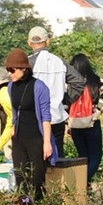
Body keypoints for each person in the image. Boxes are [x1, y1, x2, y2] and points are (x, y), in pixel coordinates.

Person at [3, 48, 52, 205]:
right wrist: (13, 128)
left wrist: (47, 142)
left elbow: (46, 117)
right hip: (19, 138)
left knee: (37, 177)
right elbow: (16, 111)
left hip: (36, 137)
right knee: (20, 177)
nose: (10, 73)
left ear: (24, 69)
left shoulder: (39, 87)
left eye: (13, 70)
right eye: (8, 70)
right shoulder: (11, 87)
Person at [26, 26, 80, 160]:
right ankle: (59, 181)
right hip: (57, 117)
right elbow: (78, 82)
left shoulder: (28, 63)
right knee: (58, 157)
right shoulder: (59, 62)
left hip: (36, 118)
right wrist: (65, 100)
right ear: (47, 41)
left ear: (29, 43)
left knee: (36, 158)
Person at [65, 52, 103, 181]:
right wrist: (96, 113)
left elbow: (64, 103)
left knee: (83, 157)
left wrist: (68, 122)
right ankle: (83, 182)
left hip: (75, 125)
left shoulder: (69, 83)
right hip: (92, 123)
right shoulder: (96, 80)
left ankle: (83, 186)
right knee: (95, 157)